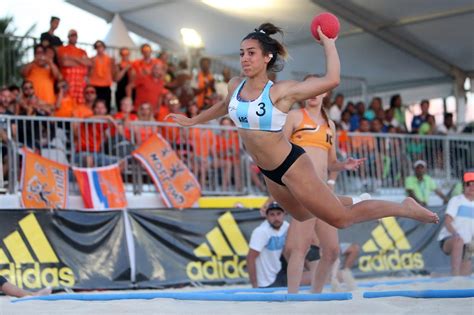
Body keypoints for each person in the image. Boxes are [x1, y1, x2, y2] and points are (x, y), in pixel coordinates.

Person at [167, 22, 438, 261]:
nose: (244, 59)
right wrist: (193, 121)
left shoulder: (281, 92)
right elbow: (225, 106)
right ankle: (350, 199)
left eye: (251, 53)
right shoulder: (235, 84)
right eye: (242, 53)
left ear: (267, 58)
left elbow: (332, 79)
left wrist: (329, 44)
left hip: (291, 165)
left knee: (340, 220)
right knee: (302, 215)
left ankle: (404, 207)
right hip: (269, 172)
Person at [281, 75, 365, 293]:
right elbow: (278, 153)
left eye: (317, 88)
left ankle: (315, 296)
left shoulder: (330, 125)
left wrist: (343, 166)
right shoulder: (294, 116)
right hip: (303, 190)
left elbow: (331, 162)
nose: (313, 92)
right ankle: (293, 300)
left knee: (332, 251)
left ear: (324, 92)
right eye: (308, 88)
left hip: (323, 192)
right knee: (300, 248)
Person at [437, 170, 474, 276]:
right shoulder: (456, 200)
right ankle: (454, 275)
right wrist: (456, 234)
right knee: (459, 240)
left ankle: (440, 276)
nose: (471, 187)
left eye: (473, 184)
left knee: (465, 276)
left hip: (467, 245)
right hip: (449, 239)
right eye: (468, 184)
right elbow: (448, 222)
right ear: (463, 186)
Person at [247, 202, 289, 288]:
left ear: (284, 214)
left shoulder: (286, 226)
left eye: (278, 214)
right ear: (267, 216)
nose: (276, 218)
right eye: (272, 215)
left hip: (278, 272)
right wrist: (255, 285)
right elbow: (250, 258)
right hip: (264, 281)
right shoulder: (261, 231)